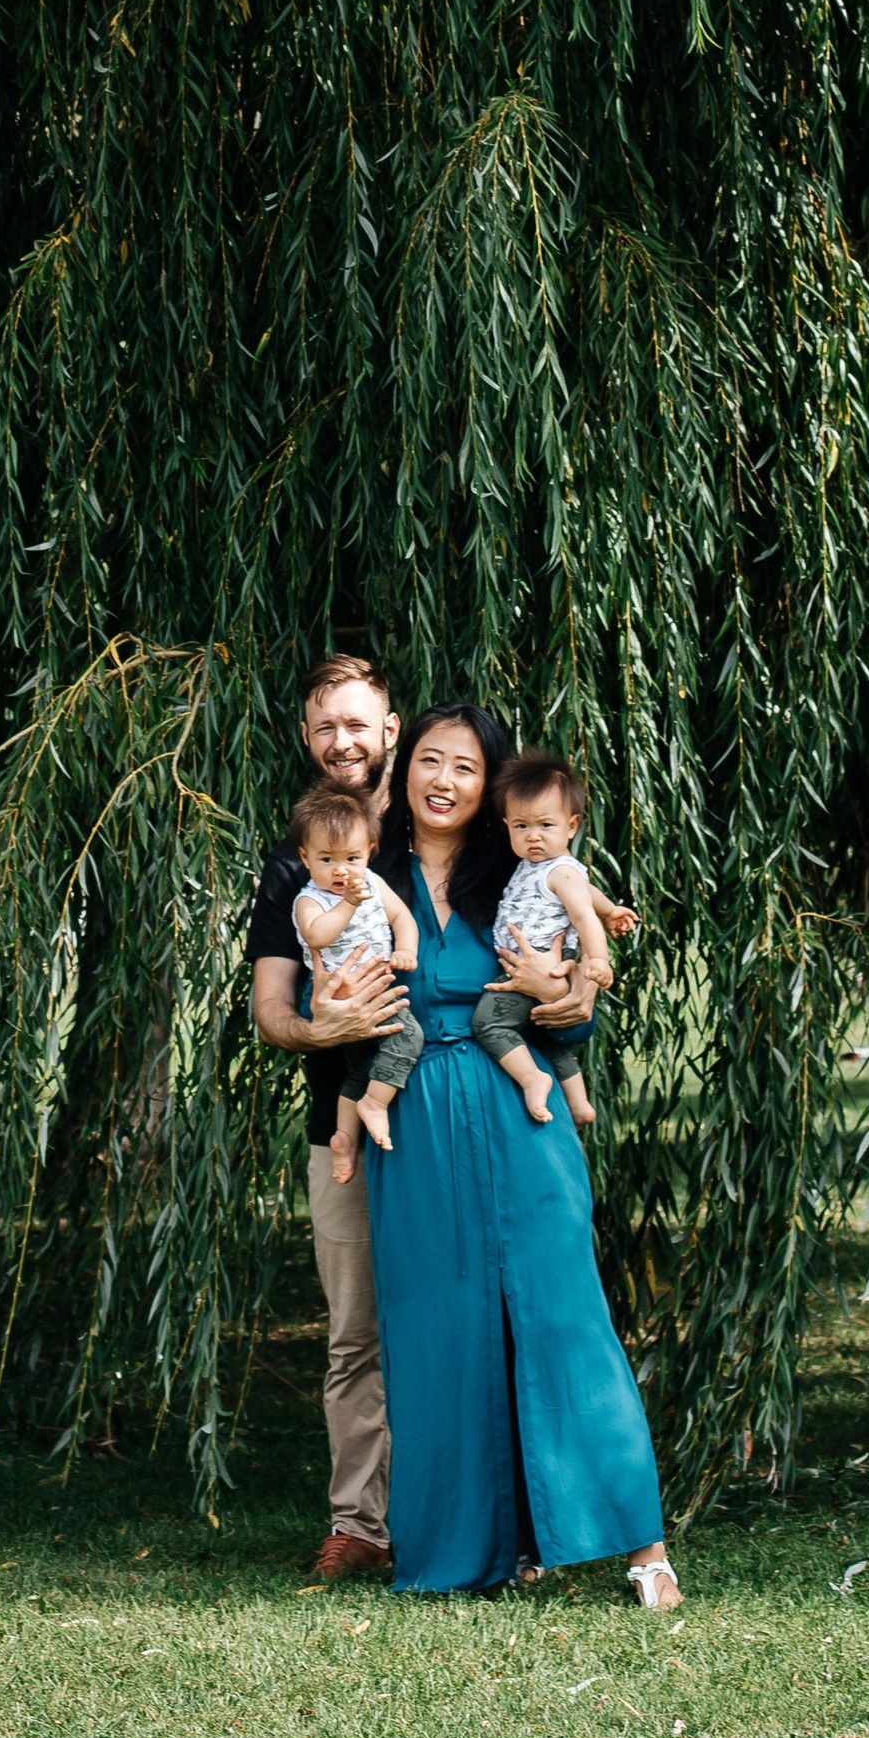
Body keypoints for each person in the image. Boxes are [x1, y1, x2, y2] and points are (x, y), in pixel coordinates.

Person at [362, 701, 682, 1606]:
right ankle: (473, 1551)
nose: (444, 780)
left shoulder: (523, 863)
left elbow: (580, 994)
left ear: (492, 785)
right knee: (440, 1327)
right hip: (416, 1115)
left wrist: (567, 985)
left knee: (562, 1310)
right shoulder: (367, 868)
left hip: (516, 1104)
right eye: (430, 759)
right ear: (403, 764)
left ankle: (642, 1548)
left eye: (466, 767)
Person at [245, 653, 405, 1583]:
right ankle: (359, 1525)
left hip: (449, 1115)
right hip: (334, 1130)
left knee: (461, 1317)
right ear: (307, 742)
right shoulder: (293, 862)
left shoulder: (444, 834)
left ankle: (475, 1517)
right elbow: (270, 1008)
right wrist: (321, 1025)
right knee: (355, 1334)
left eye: (359, 723)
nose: (342, 741)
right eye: (324, 727)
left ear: (392, 729)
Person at [469, 755, 637, 1127]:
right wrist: (612, 910)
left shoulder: (559, 871)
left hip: (545, 959)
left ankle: (533, 1079)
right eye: (521, 826)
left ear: (572, 826)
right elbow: (590, 895)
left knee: (489, 1024)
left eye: (546, 825)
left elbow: (582, 916)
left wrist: (598, 960)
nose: (533, 836)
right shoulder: (540, 867)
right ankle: (579, 1104)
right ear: (506, 826)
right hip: (536, 959)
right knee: (546, 1038)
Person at [287, 783, 423, 1171]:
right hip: (339, 995)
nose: (341, 870)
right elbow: (317, 934)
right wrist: (348, 904)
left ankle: (344, 1139)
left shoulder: (375, 884)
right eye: (327, 859)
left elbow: (402, 918)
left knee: (360, 1069)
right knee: (409, 1037)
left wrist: (406, 950)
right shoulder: (310, 899)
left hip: (376, 988)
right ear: (305, 857)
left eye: (352, 857)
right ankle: (375, 1104)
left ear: (370, 854)